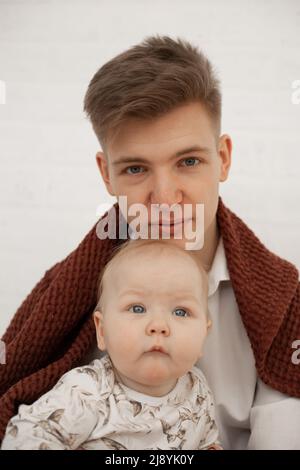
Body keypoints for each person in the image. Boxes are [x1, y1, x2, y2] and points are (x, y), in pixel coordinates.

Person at [0, 35, 299, 450]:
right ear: (107, 174)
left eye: (188, 161)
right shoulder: (66, 294)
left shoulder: (284, 302)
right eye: (136, 168)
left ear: (223, 158)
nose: (164, 197)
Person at [1, 239, 222, 450]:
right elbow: (26, 435)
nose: (158, 325)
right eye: (137, 308)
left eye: (180, 311)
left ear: (204, 333)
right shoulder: (86, 391)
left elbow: (207, 442)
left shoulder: (198, 389)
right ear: (102, 330)